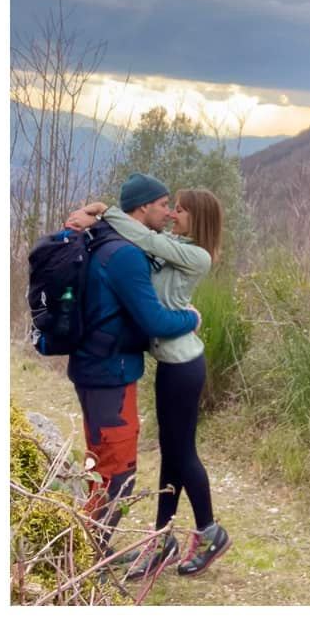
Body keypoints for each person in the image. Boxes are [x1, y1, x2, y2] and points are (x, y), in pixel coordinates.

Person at [67, 188, 230, 580]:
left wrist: (105, 210)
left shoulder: (198, 255)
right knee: (172, 455)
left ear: (198, 217)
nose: (174, 214)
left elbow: (144, 238)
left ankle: (210, 532)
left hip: (184, 365)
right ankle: (161, 540)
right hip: (171, 365)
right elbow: (140, 248)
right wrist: (91, 228)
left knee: (182, 453)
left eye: (181, 210)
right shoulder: (176, 244)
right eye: (172, 208)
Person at [54, 173, 201, 555]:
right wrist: (192, 320)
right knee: (117, 474)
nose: (169, 213)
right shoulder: (126, 256)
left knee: (99, 463)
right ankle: (85, 557)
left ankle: (88, 551)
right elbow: (155, 322)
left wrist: (101, 215)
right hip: (109, 375)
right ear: (143, 207)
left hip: (93, 369)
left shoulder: (104, 240)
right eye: (164, 204)